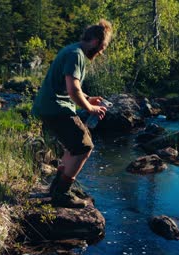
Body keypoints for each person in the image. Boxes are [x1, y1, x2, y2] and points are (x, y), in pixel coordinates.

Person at [32, 19, 113, 208]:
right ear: (95, 41)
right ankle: (62, 194)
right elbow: (73, 91)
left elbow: (71, 87)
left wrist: (89, 98)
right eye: (103, 47)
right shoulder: (76, 55)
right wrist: (90, 108)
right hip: (55, 108)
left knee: (73, 146)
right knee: (84, 146)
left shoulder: (74, 51)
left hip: (51, 107)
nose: (102, 51)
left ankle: (56, 188)